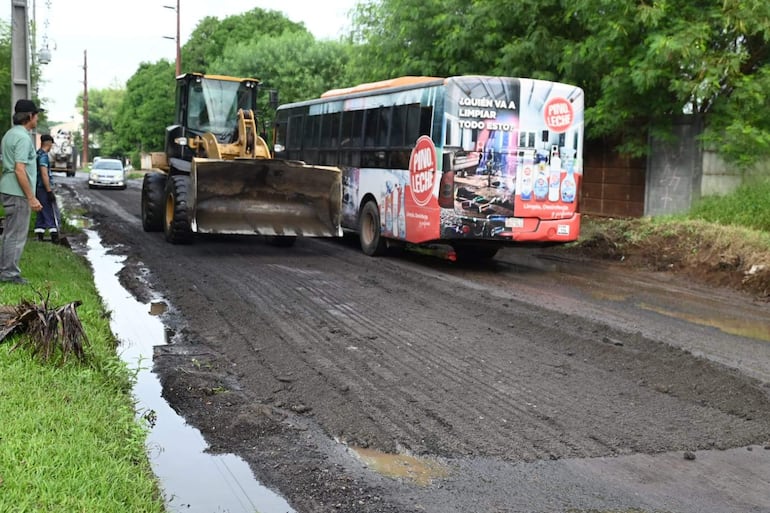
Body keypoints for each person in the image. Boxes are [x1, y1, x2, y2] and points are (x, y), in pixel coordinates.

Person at [0, 99, 44, 284]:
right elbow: (20, 169)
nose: (37, 118)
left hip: (8, 188)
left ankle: (5, 270)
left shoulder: (10, 134)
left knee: (10, 233)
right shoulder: (23, 138)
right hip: (18, 192)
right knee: (16, 234)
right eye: (36, 115)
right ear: (30, 116)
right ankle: (9, 274)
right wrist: (31, 197)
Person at [34, 133, 59, 243]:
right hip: (43, 188)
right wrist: (49, 191)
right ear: (48, 143)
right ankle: (54, 235)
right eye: (52, 144)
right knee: (50, 211)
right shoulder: (43, 156)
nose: (51, 147)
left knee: (41, 211)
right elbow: (44, 174)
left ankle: (40, 234)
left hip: (37, 187)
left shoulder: (37, 153)